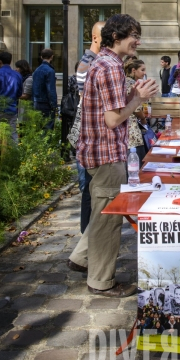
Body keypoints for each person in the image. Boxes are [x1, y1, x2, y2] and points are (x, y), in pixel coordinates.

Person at [67, 13, 158, 297]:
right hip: (106, 155)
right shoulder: (109, 67)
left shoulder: (108, 63)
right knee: (108, 220)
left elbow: (113, 110)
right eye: (133, 35)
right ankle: (101, 281)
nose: (138, 41)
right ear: (116, 37)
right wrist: (139, 99)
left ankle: (81, 258)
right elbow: (113, 119)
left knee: (102, 211)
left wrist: (134, 94)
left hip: (103, 152)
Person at [74, 21, 105, 234]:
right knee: (88, 188)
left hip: (91, 134)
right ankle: (87, 237)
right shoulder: (89, 63)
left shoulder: (95, 61)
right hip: (87, 134)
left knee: (92, 188)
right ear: (95, 38)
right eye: (107, 38)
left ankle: (90, 235)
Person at [0, 51, 23, 142]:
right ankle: (14, 155)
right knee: (12, 134)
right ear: (10, 61)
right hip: (11, 110)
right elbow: (19, 94)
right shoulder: (17, 75)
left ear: (0, 62)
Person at [125, 58, 148, 167]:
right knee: (137, 166)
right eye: (142, 70)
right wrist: (144, 120)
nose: (145, 73)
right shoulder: (133, 84)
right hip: (132, 130)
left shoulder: (123, 81)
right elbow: (137, 109)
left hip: (122, 127)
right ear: (133, 70)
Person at [32, 48, 57, 130]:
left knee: (39, 128)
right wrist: (54, 105)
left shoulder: (36, 70)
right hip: (46, 103)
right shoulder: (50, 71)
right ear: (52, 57)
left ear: (41, 57)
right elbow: (51, 90)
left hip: (37, 101)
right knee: (47, 129)